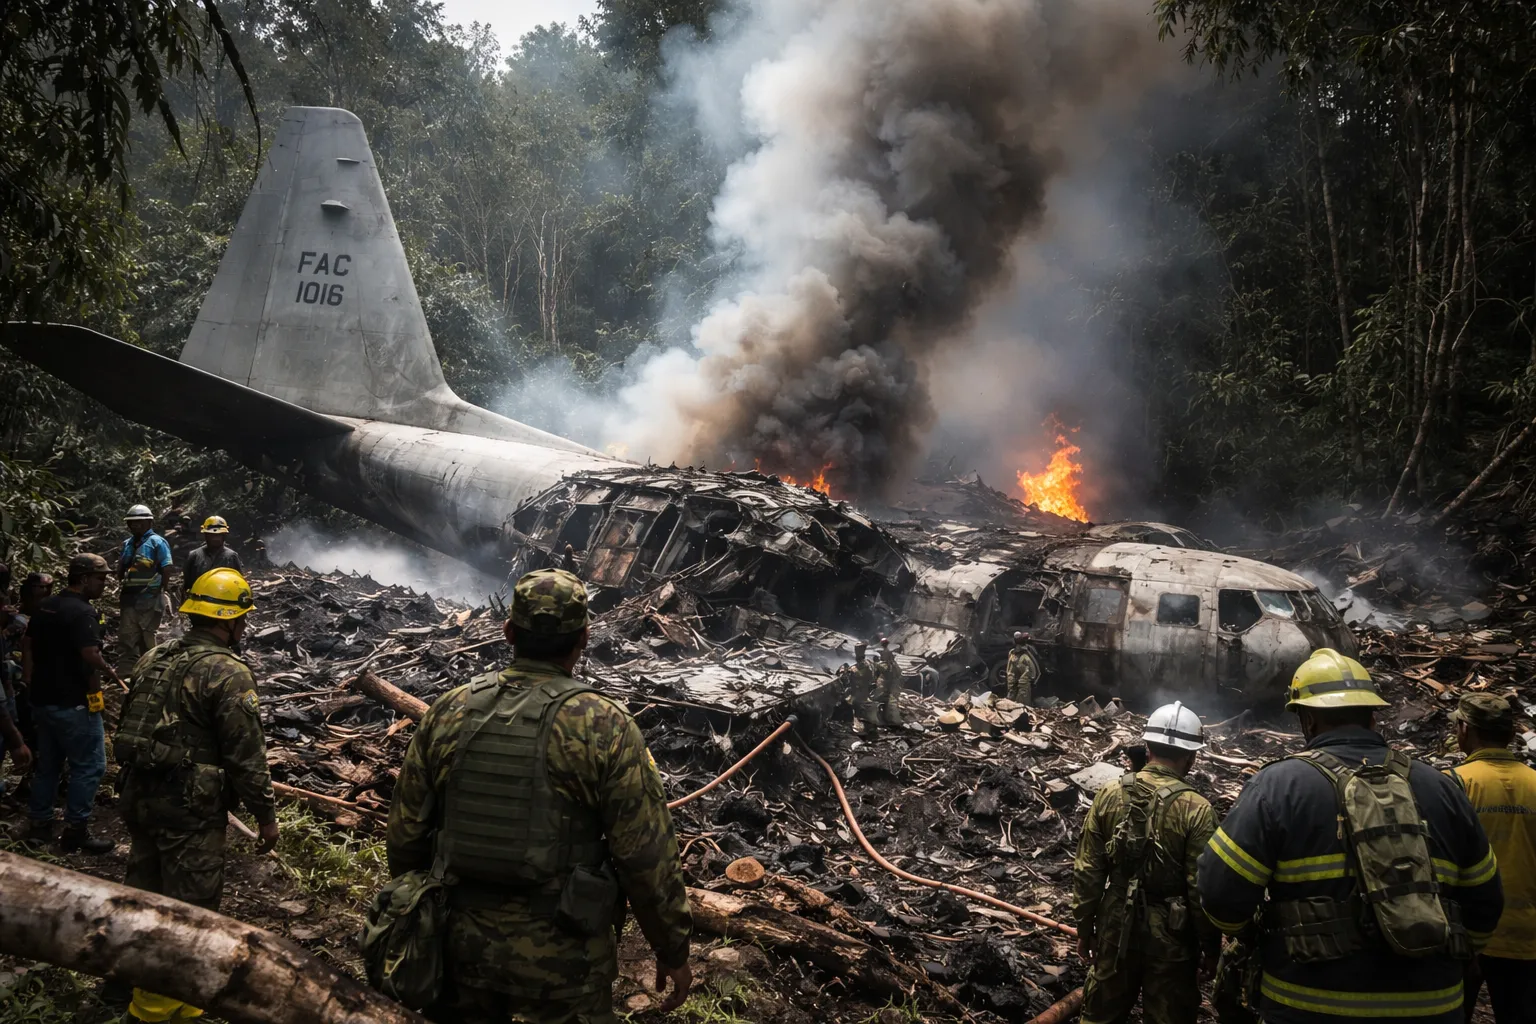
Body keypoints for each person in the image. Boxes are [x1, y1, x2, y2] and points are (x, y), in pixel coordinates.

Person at [386, 568, 693, 1023]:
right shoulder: (604, 725)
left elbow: (406, 834)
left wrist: (420, 919)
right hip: (564, 965)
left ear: (509, 630)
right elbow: (645, 855)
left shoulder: (450, 711)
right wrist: (671, 947)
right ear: (584, 637)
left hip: (456, 946)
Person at [1198, 648, 1504, 1024]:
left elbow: (1219, 891)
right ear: (1373, 715)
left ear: (1307, 720)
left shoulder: (1278, 786)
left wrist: (1251, 935)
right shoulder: (1441, 788)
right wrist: (1447, 958)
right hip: (1431, 1006)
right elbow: (1486, 899)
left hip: (1308, 1005)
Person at [115, 566, 278, 1022]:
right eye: (242, 619)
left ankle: (125, 981)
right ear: (228, 621)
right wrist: (266, 816)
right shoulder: (227, 672)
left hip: (139, 795)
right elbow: (246, 755)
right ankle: (159, 1009)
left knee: (144, 892)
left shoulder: (155, 657)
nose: (243, 627)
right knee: (190, 911)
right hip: (188, 809)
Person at [1074, 702, 1218, 1024]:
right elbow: (1200, 889)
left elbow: (1088, 870)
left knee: (1100, 1017)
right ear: (1191, 757)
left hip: (1114, 924)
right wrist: (1211, 948)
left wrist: (1085, 927)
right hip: (1173, 937)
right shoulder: (1198, 809)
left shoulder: (1109, 794)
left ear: (1147, 747)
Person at [22, 553, 122, 852]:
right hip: (72, 703)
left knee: (48, 765)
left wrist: (29, 681)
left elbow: (27, 644)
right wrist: (101, 690)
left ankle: (39, 824)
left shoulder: (46, 606)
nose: (103, 584)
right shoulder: (83, 612)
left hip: (42, 700)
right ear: (83, 578)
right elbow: (90, 656)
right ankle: (76, 831)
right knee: (90, 765)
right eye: (100, 578)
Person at [1446, 693, 1536, 1024]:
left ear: (1464, 729)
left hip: (1466, 936)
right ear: (1512, 736)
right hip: (1526, 937)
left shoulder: (1452, 785)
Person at [117, 504, 174, 676]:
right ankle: (129, 671)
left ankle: (152, 670)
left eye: (140, 522)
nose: (135, 526)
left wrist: (162, 590)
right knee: (127, 634)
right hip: (129, 597)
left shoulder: (157, 542)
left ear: (149, 522)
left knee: (148, 634)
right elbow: (122, 565)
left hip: (150, 596)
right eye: (132, 523)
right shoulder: (128, 543)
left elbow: (167, 567)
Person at [179, 515, 243, 599]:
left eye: (219, 535)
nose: (215, 538)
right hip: (199, 602)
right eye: (212, 535)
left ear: (224, 536)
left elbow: (239, 582)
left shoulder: (231, 556)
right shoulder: (194, 555)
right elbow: (187, 583)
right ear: (206, 535)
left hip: (224, 600)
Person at [848, 641, 879, 734]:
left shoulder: (860, 666)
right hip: (863, 690)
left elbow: (864, 677)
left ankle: (863, 726)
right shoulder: (868, 664)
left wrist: (854, 673)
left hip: (860, 691)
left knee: (856, 706)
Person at [873, 636, 903, 727]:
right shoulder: (892, 661)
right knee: (889, 701)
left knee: (880, 699)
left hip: (886, 681)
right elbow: (898, 673)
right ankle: (890, 718)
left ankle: (883, 718)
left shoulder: (883, 656)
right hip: (891, 681)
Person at [1005, 630, 1041, 706]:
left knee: (1022, 700)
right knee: (1011, 696)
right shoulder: (1012, 653)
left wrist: (1034, 682)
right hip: (1014, 683)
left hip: (1024, 684)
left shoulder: (1027, 653)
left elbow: (1035, 670)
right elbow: (1010, 671)